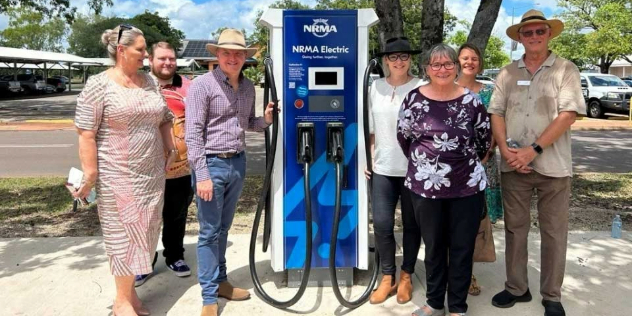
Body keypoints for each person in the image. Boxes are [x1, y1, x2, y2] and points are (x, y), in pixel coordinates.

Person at [73, 25, 176, 316]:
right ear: (121, 50)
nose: (146, 54)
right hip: (117, 175)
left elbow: (165, 118)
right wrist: (90, 175)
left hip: (152, 174)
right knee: (123, 239)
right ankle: (121, 303)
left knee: (144, 234)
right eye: (141, 50)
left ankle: (130, 296)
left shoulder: (150, 82)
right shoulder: (99, 84)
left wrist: (171, 149)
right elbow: (85, 133)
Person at [487, 10, 585, 316]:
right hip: (514, 165)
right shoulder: (506, 73)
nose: (533, 37)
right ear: (519, 37)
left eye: (539, 31)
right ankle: (517, 287)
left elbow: (568, 115)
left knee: (553, 232)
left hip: (553, 167)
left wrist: (534, 149)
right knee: (515, 230)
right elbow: (496, 112)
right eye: (527, 33)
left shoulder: (566, 70)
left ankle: (552, 295)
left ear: (549, 33)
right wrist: (505, 149)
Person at [185, 29, 275, 316]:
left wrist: (266, 120)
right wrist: (201, 175)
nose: (233, 58)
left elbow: (247, 122)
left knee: (224, 228)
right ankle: (209, 297)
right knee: (209, 232)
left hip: (238, 162)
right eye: (227, 53)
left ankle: (221, 281)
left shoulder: (248, 87)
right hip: (211, 164)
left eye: (238, 53)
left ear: (244, 58)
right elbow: (193, 134)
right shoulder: (203, 86)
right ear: (218, 55)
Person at [398, 43, 491, 316]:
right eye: (436, 64)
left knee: (462, 248)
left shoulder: (471, 101)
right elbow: (404, 138)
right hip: (426, 188)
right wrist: (425, 163)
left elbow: (483, 140)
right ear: (427, 68)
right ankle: (434, 302)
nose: (442, 69)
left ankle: (458, 308)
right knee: (434, 247)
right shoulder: (413, 99)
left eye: (448, 63)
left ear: (456, 66)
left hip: (467, 188)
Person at [365, 37, 422, 305]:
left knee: (412, 226)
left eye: (404, 56)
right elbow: (371, 128)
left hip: (415, 170)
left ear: (410, 59)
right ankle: (387, 276)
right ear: (385, 61)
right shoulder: (374, 87)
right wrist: (369, 158)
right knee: (383, 225)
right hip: (383, 168)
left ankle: (407, 275)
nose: (399, 61)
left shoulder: (422, 87)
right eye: (393, 57)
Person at [133, 41, 194, 286]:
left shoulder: (188, 87)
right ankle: (144, 263)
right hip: (145, 169)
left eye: (171, 58)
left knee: (176, 215)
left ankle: (175, 255)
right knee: (145, 217)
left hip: (181, 168)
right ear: (150, 60)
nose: (168, 63)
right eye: (162, 59)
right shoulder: (138, 86)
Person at [455, 42, 503, 296]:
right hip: (453, 167)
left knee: (474, 223)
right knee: (452, 221)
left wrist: (483, 157)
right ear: (457, 61)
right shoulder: (448, 89)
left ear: (480, 62)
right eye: (464, 58)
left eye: (474, 58)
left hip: (482, 165)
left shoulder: (489, 92)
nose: (470, 62)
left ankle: (468, 273)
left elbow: (496, 127)